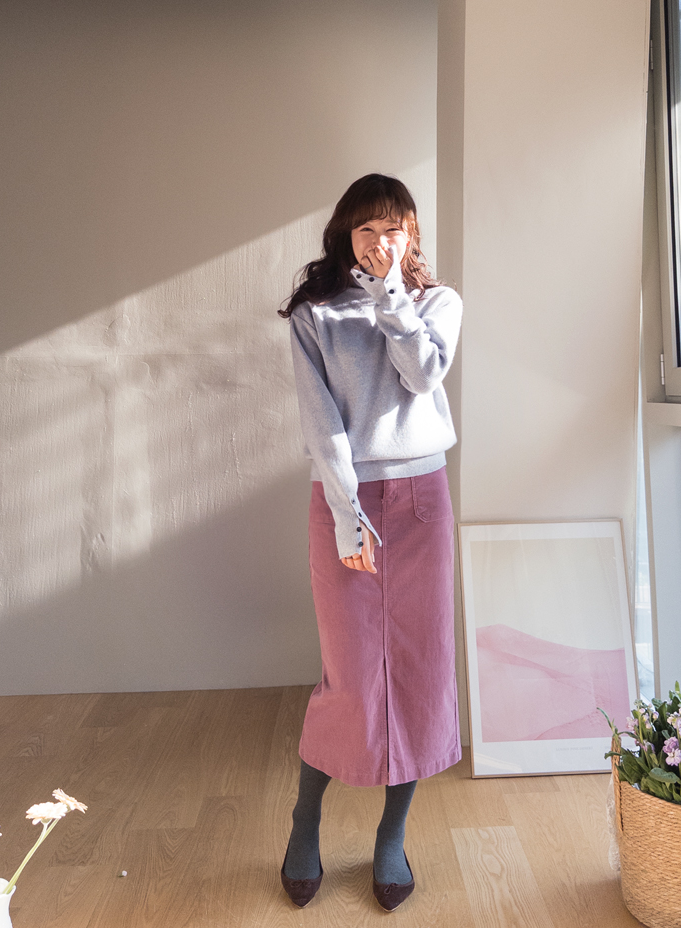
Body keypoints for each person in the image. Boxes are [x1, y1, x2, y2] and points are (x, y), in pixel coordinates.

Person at [278, 173, 463, 911]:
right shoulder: (315, 314)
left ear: (410, 233)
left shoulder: (437, 304)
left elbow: (421, 376)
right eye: (366, 230)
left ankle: (392, 835)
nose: (381, 241)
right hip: (344, 500)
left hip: (423, 503)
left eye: (394, 228)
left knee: (419, 672)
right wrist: (349, 513)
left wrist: (392, 296)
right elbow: (320, 422)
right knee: (349, 676)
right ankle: (306, 820)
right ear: (345, 237)